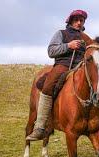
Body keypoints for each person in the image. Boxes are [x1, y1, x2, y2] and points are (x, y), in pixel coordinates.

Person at [26, 10, 88, 141]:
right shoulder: (61, 33)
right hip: (63, 65)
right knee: (48, 86)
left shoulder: (85, 37)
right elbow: (51, 51)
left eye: (81, 20)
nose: (79, 22)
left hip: (81, 67)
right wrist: (68, 46)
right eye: (76, 20)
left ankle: (97, 126)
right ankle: (40, 126)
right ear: (70, 21)